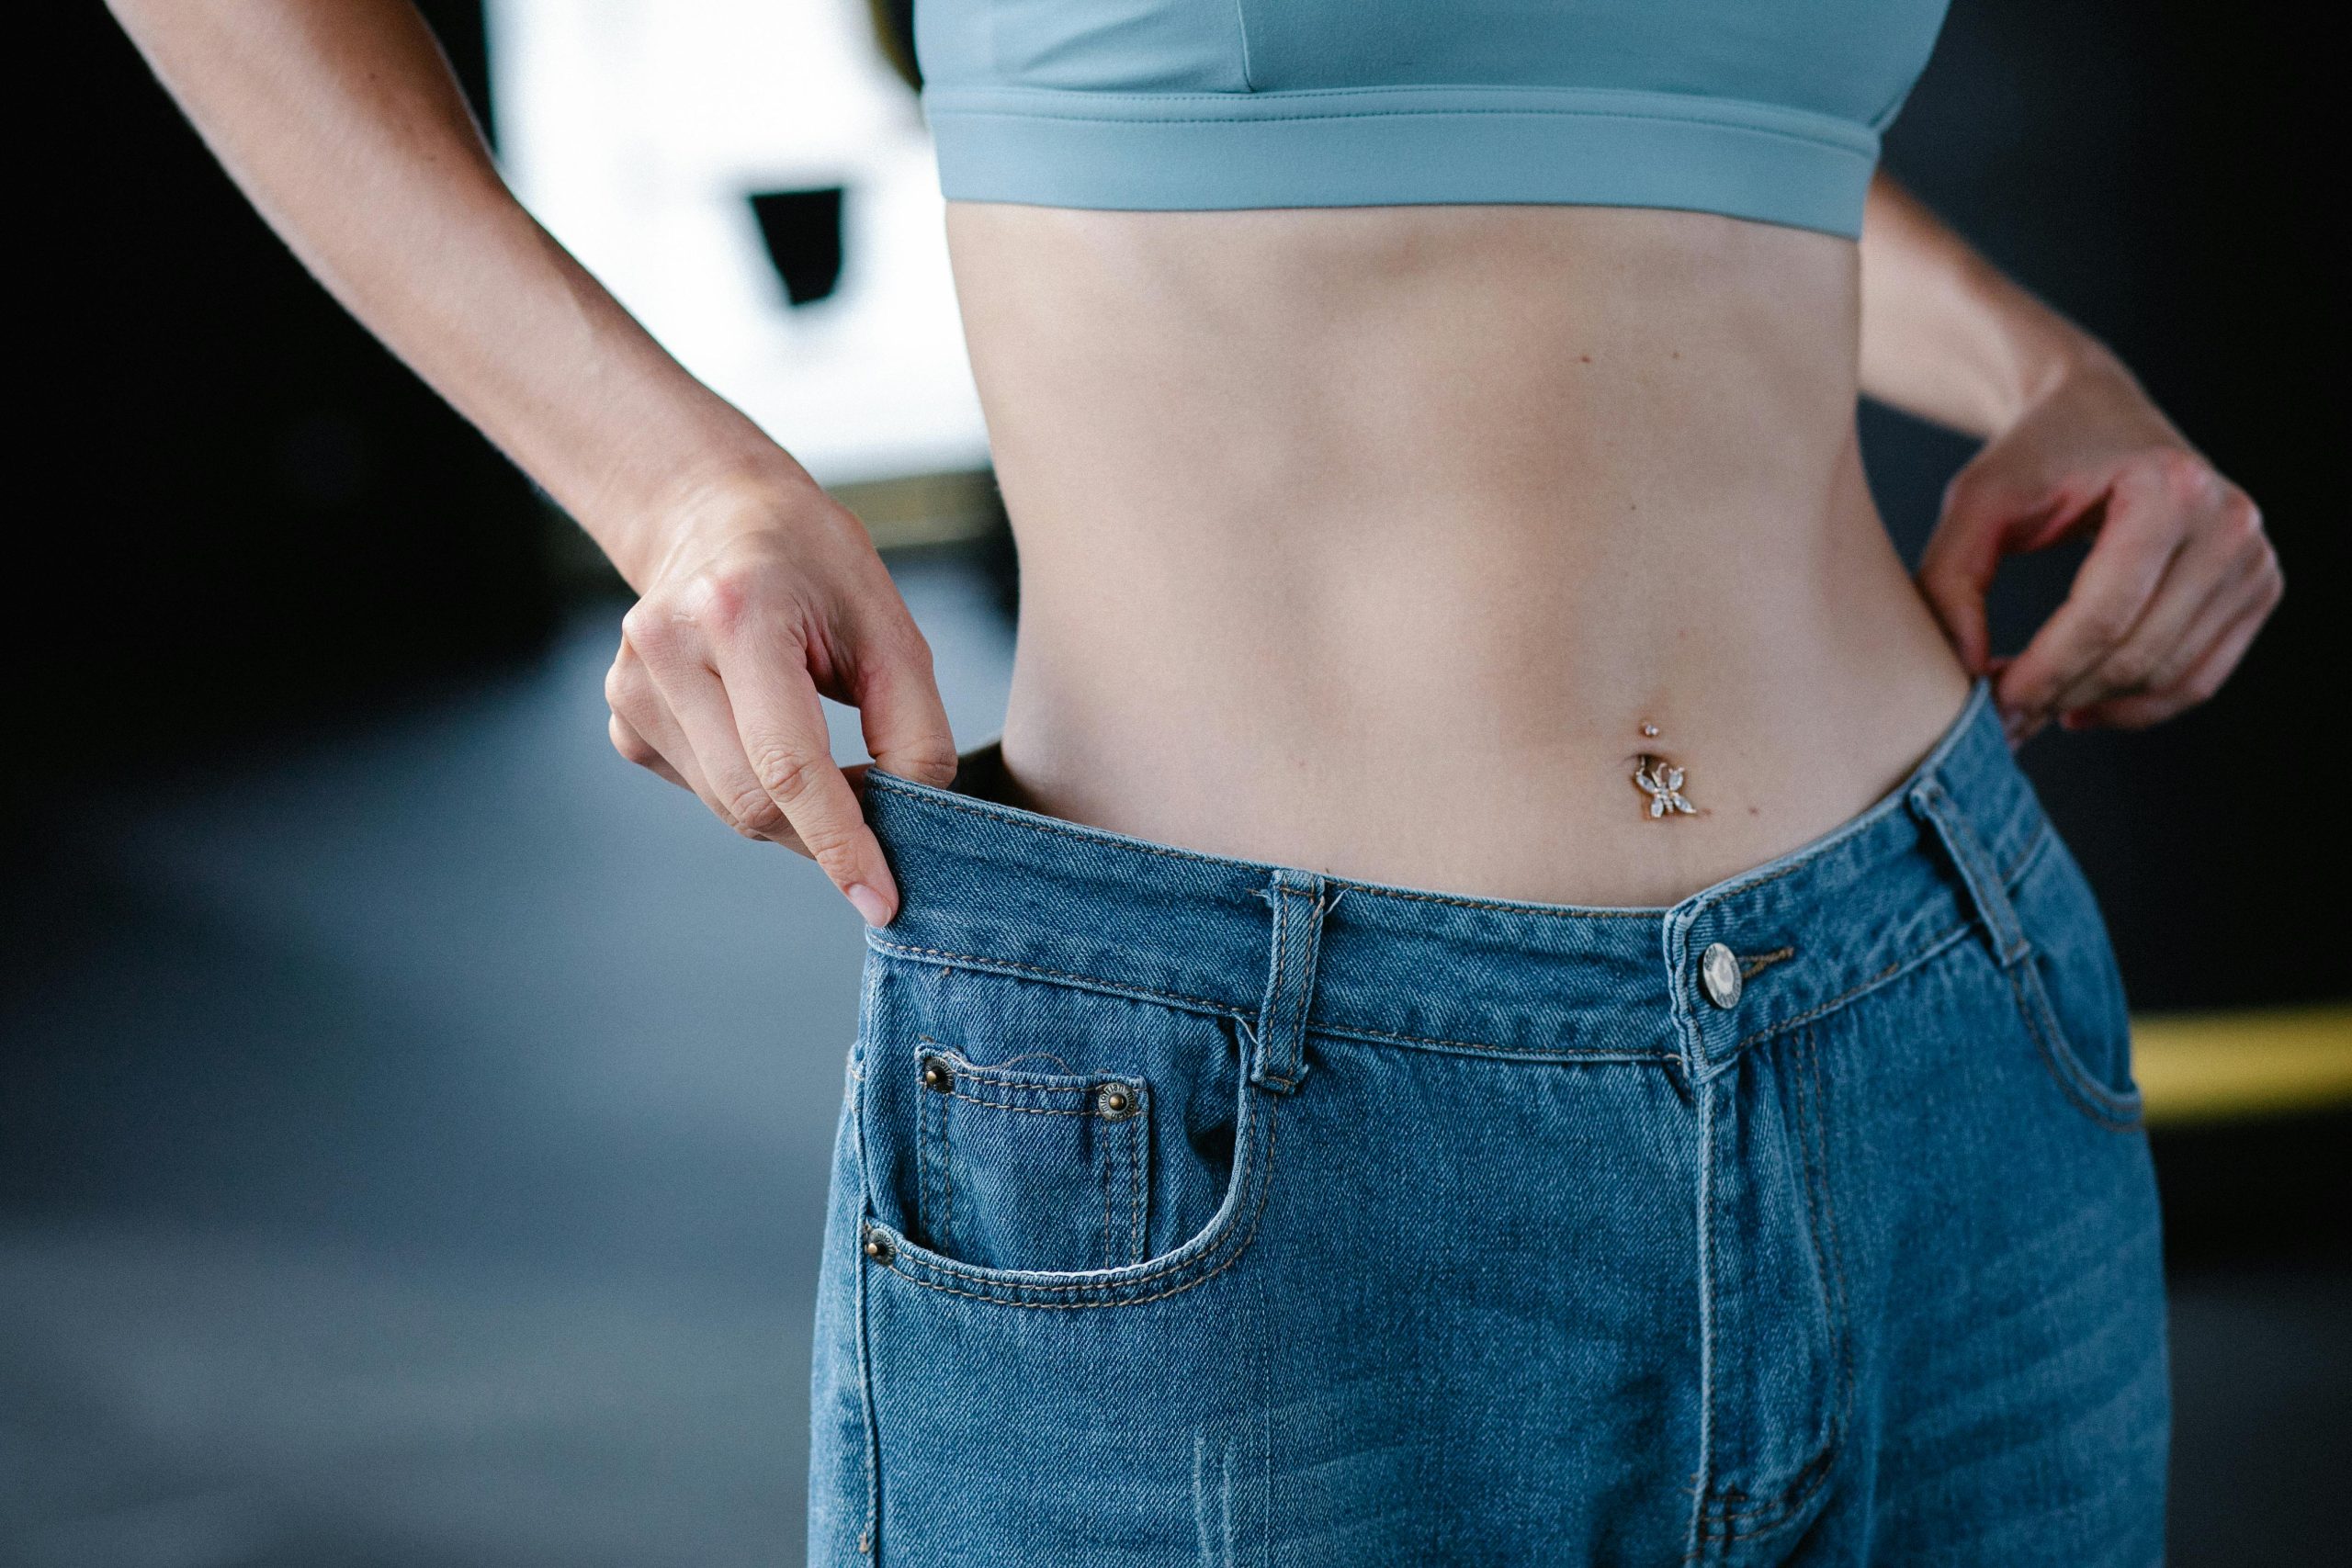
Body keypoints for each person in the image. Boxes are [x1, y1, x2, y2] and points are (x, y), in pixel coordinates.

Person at [109, 3, 2278, 1563]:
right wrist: (675, 487)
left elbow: (1651, 107)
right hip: (1245, 1141)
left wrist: (2042, 365)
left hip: (1930, 1030)